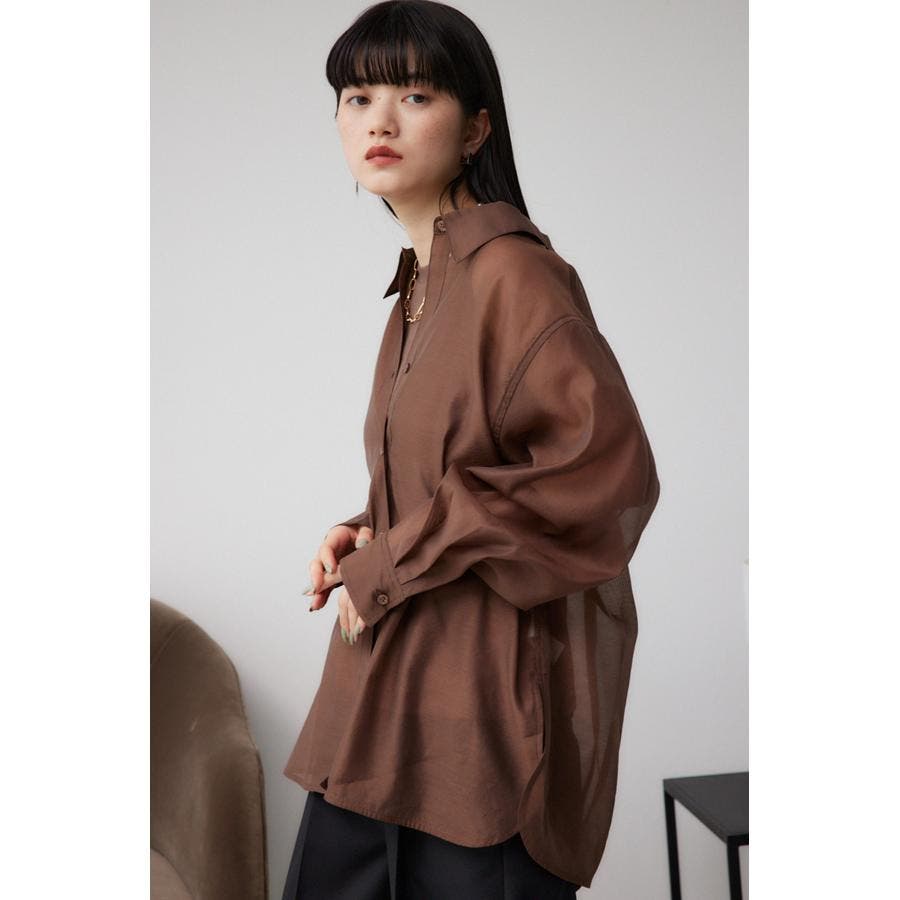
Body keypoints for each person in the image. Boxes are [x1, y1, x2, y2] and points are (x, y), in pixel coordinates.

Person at [281, 2, 661, 897]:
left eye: (415, 96)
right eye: (357, 97)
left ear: (475, 128)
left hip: (474, 712)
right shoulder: (423, 281)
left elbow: (604, 474)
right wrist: (369, 526)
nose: (378, 121)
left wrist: (394, 559)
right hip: (384, 699)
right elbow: (472, 466)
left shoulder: (514, 275)